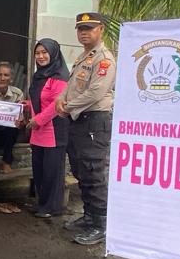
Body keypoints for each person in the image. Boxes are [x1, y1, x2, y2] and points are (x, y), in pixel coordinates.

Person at [55, 12, 116, 245]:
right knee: (80, 170)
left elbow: (96, 92)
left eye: (89, 28)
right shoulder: (84, 57)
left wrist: (68, 106)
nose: (83, 33)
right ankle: (89, 216)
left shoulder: (104, 59)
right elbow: (71, 85)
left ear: (101, 29)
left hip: (94, 121)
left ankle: (100, 225)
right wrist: (61, 99)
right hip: (79, 120)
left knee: (93, 172)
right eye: (80, 29)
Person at [26, 39, 71, 217]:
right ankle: (42, 204)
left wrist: (38, 120)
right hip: (38, 131)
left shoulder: (60, 77)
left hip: (54, 131)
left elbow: (56, 105)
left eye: (44, 52)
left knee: (52, 172)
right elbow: (39, 99)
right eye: (37, 53)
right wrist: (26, 105)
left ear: (53, 54)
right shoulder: (39, 75)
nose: (41, 56)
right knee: (39, 170)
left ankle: (53, 207)